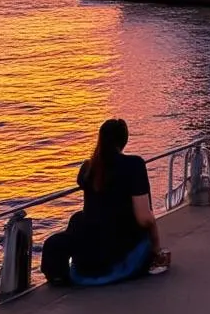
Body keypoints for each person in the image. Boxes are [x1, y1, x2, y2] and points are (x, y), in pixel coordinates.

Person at [41, 119, 169, 286]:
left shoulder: (87, 168)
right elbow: (144, 218)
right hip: (117, 248)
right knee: (143, 234)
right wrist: (156, 245)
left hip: (90, 252)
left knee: (78, 218)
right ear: (124, 140)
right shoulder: (134, 165)